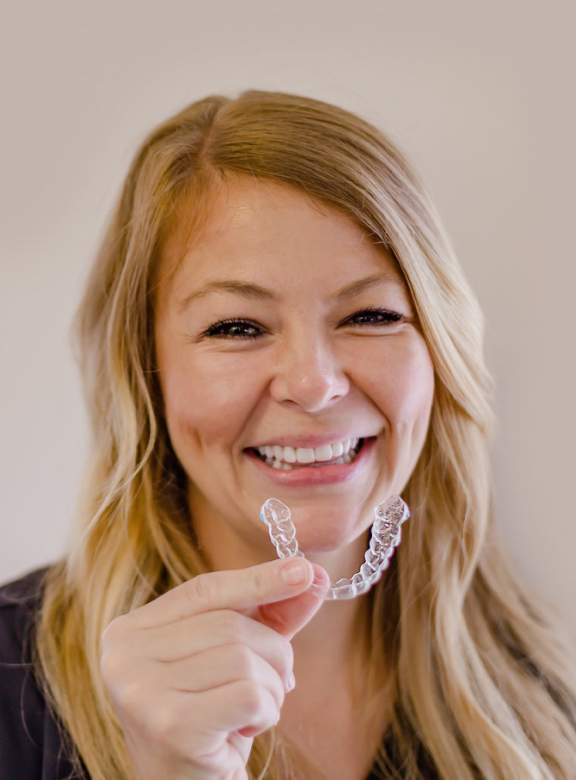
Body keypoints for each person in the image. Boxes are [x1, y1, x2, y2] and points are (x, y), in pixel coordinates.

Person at [1, 90, 575, 780]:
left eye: (371, 315)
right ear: (145, 371)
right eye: (237, 327)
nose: (314, 383)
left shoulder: (549, 687)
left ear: (438, 352)